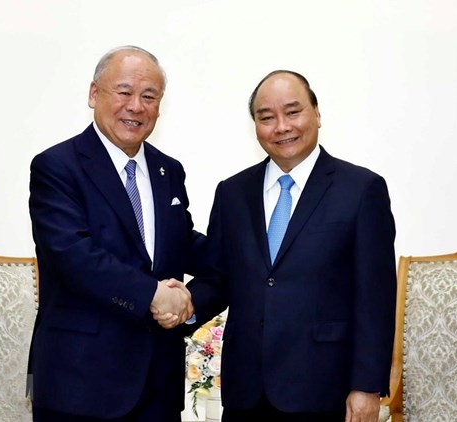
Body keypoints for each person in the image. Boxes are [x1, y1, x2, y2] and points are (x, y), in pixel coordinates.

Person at [165, 70, 397, 422]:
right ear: (255, 126)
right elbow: (220, 277)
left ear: (316, 114)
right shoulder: (233, 192)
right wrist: (184, 306)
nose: (281, 126)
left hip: (325, 392)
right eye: (266, 117)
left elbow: (375, 298)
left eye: (293, 112)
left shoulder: (361, 190)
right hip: (247, 393)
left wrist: (366, 386)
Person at [27, 45, 202, 422]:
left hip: (158, 386)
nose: (136, 106)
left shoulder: (167, 170)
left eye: (149, 96)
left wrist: (245, 253)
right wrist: (153, 294)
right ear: (94, 94)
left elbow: (182, 244)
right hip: (81, 385)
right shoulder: (56, 167)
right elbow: (73, 255)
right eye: (123, 91)